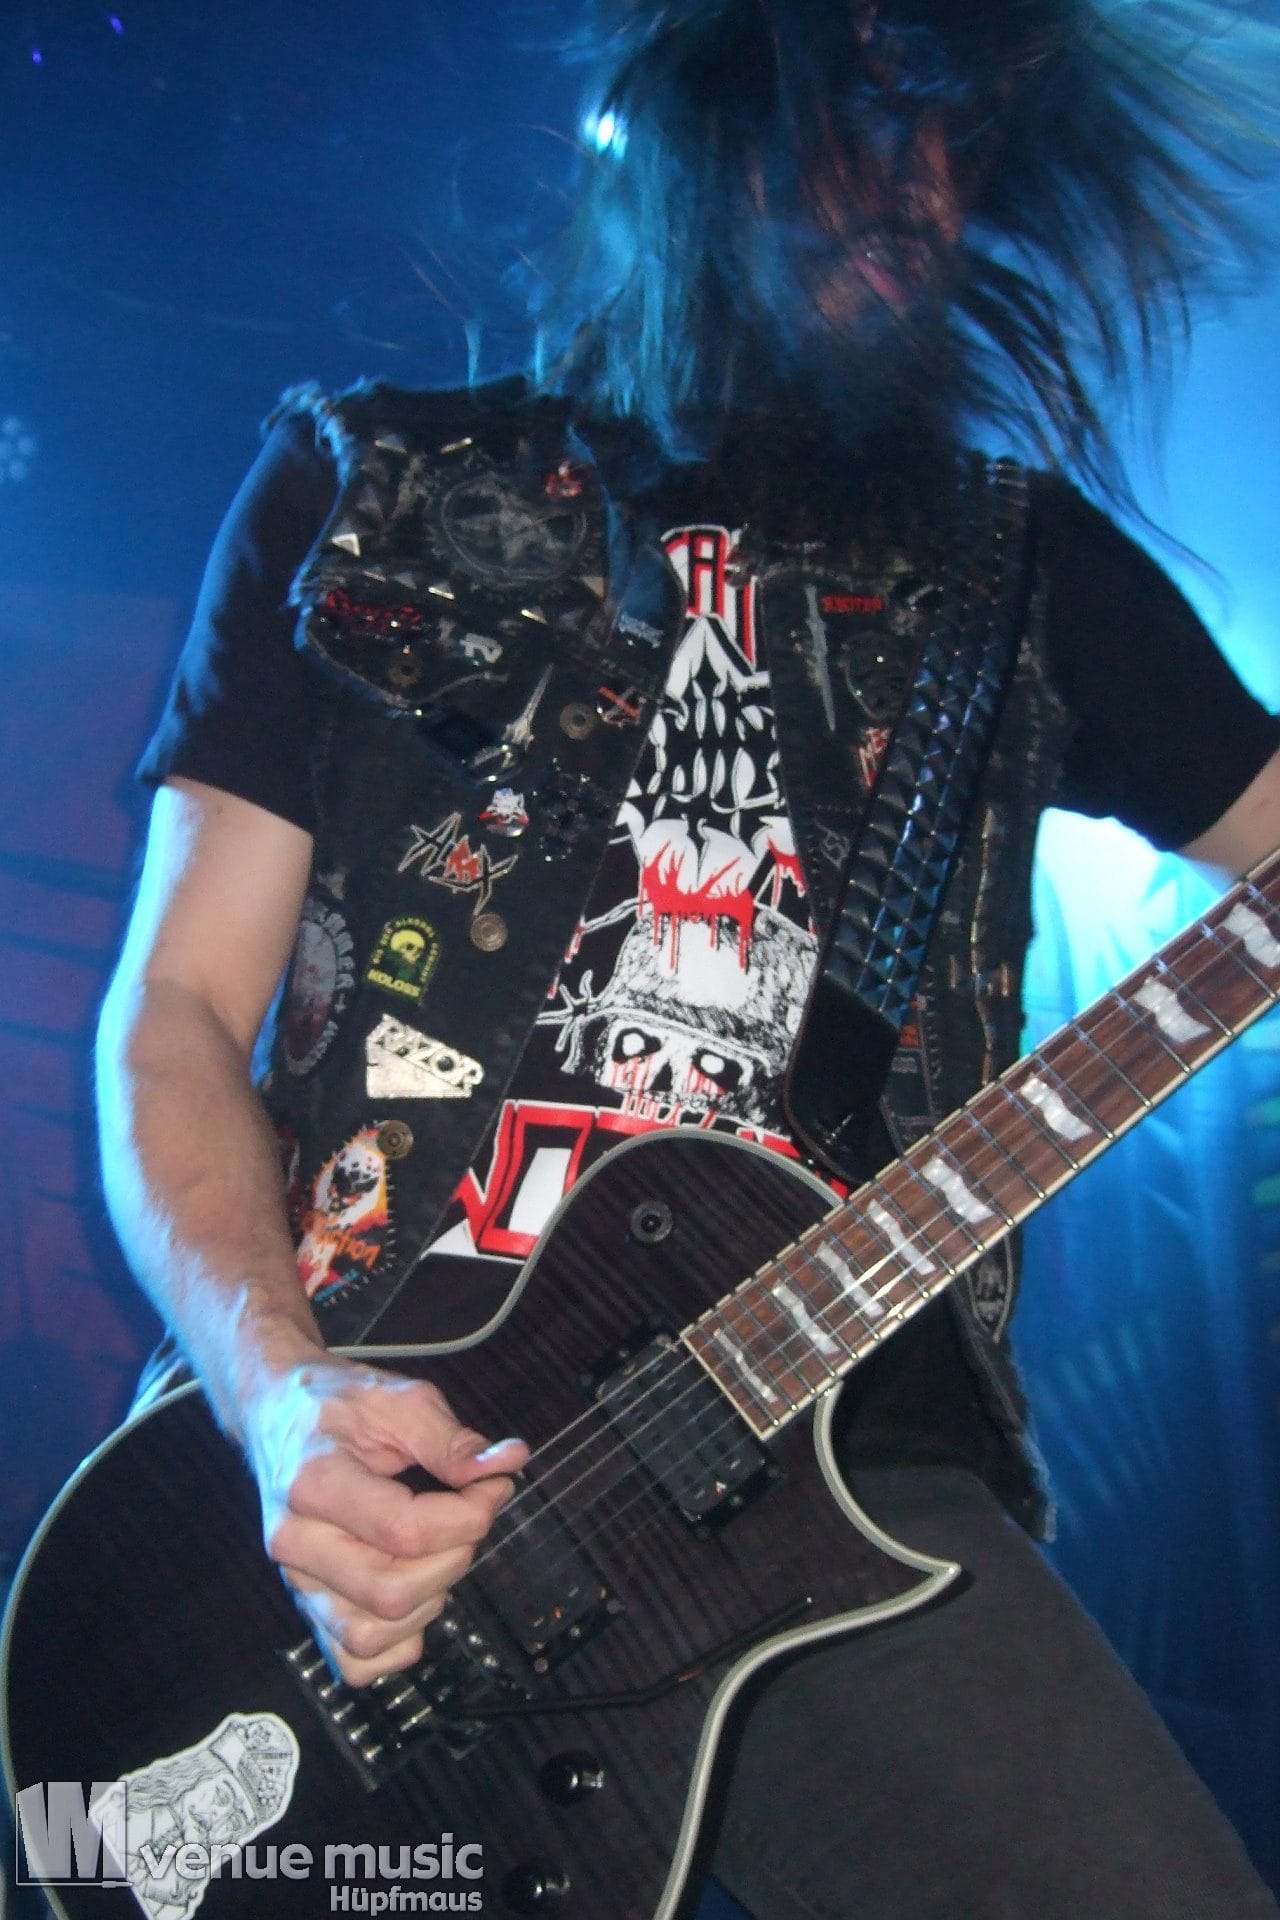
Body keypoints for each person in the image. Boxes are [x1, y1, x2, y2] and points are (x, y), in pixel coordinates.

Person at [96, 2, 1280, 1915]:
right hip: (360, 1468)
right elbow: (176, 1013)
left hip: (839, 1482)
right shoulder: (373, 483)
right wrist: (276, 1394)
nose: (919, 191)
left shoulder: (1020, 565)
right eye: (862, 121)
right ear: (709, 129)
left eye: (957, 145)